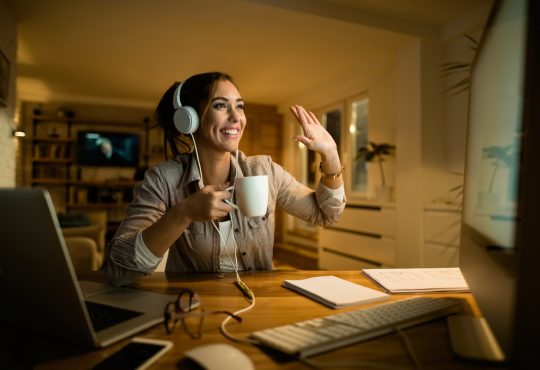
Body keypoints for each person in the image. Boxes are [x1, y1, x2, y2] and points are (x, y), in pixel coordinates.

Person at [102, 72, 345, 286]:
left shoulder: (265, 170)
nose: (236, 117)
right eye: (220, 105)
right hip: (192, 305)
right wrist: (183, 213)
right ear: (189, 119)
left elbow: (326, 214)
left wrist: (331, 153)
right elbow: (118, 271)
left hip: (259, 304)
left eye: (239, 106)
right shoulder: (162, 179)